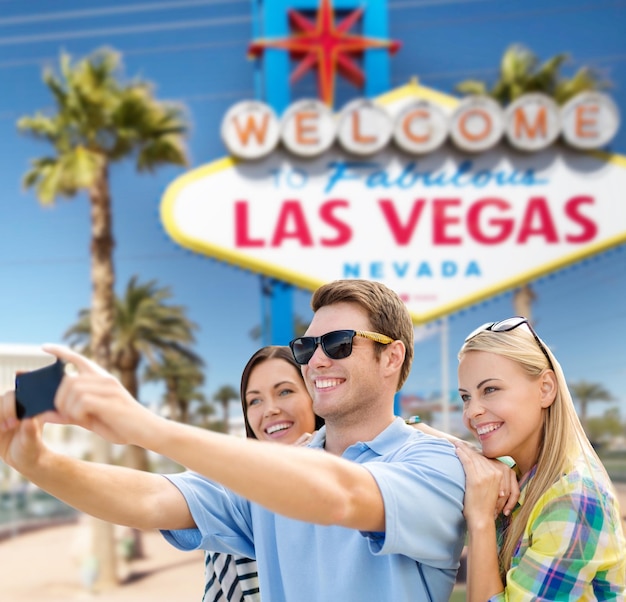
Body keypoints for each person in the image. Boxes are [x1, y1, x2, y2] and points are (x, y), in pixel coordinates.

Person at [0, 278, 466, 602]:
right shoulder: (274, 475)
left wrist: (145, 425)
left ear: (392, 358)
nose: (317, 361)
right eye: (307, 347)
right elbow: (149, 499)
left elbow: (339, 497)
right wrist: (38, 463)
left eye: (339, 343)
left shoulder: (434, 462)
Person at [453, 316, 626, 601]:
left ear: (545, 388)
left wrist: (481, 520)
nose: (472, 412)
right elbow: (418, 433)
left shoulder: (575, 498)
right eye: (466, 397)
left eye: (490, 389)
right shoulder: (522, 475)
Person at [204, 345, 322, 602]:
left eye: (285, 391)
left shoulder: (368, 475)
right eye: (255, 400)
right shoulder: (239, 505)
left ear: (315, 397)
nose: (270, 409)